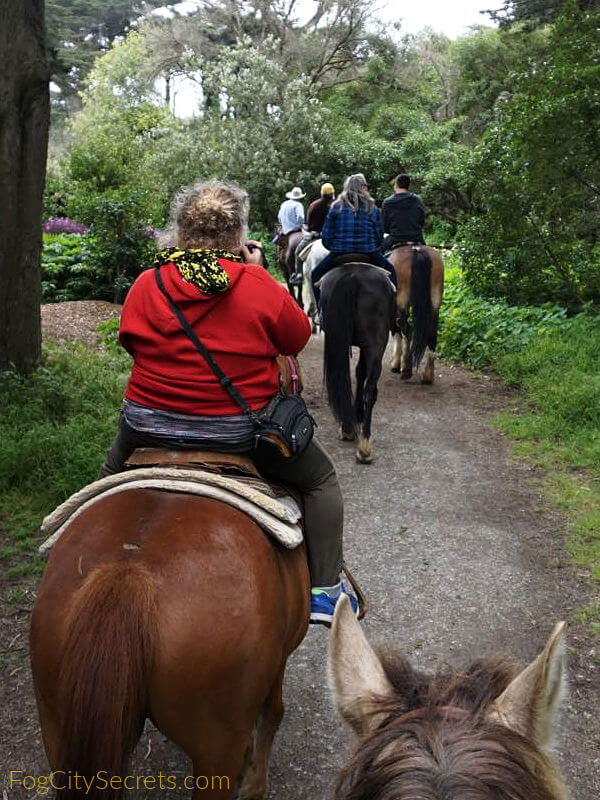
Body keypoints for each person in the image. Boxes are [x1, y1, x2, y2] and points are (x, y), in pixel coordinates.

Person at [100, 179, 357, 625]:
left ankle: (93, 547)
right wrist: (259, 273)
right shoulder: (254, 281)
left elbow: (132, 344)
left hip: (146, 424)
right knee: (320, 482)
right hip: (238, 430)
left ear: (181, 231)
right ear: (238, 234)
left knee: (105, 480)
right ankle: (325, 590)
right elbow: (296, 337)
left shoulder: (148, 282)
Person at [311, 174, 397, 308]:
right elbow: (379, 237)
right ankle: (395, 311)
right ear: (363, 188)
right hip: (368, 253)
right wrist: (371, 245)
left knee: (314, 274)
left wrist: (335, 246)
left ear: (346, 188)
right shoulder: (372, 208)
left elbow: (326, 238)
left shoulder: (335, 207)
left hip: (339, 254)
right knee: (392, 271)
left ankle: (319, 311)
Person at [291, 182, 335, 286]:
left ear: (321, 193)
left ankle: (299, 275)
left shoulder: (314, 205)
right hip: (333, 236)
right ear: (333, 193)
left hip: (314, 236)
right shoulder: (337, 205)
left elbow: (309, 223)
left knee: (297, 253)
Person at [381, 173, 426, 251]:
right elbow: (422, 221)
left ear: (396, 185)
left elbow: (384, 226)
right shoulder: (418, 200)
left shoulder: (388, 202)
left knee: (378, 252)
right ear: (408, 185)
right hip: (416, 237)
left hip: (395, 238)